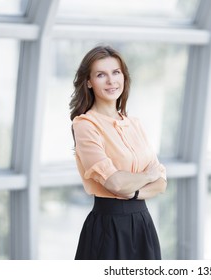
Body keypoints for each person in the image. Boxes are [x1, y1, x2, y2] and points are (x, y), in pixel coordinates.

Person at [69, 45, 167, 260]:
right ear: (88, 82)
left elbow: (161, 183)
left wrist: (133, 192)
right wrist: (147, 176)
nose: (111, 81)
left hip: (143, 224)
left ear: (124, 77)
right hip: (108, 227)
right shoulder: (85, 125)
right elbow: (115, 183)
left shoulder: (134, 124)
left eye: (116, 72)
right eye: (101, 75)